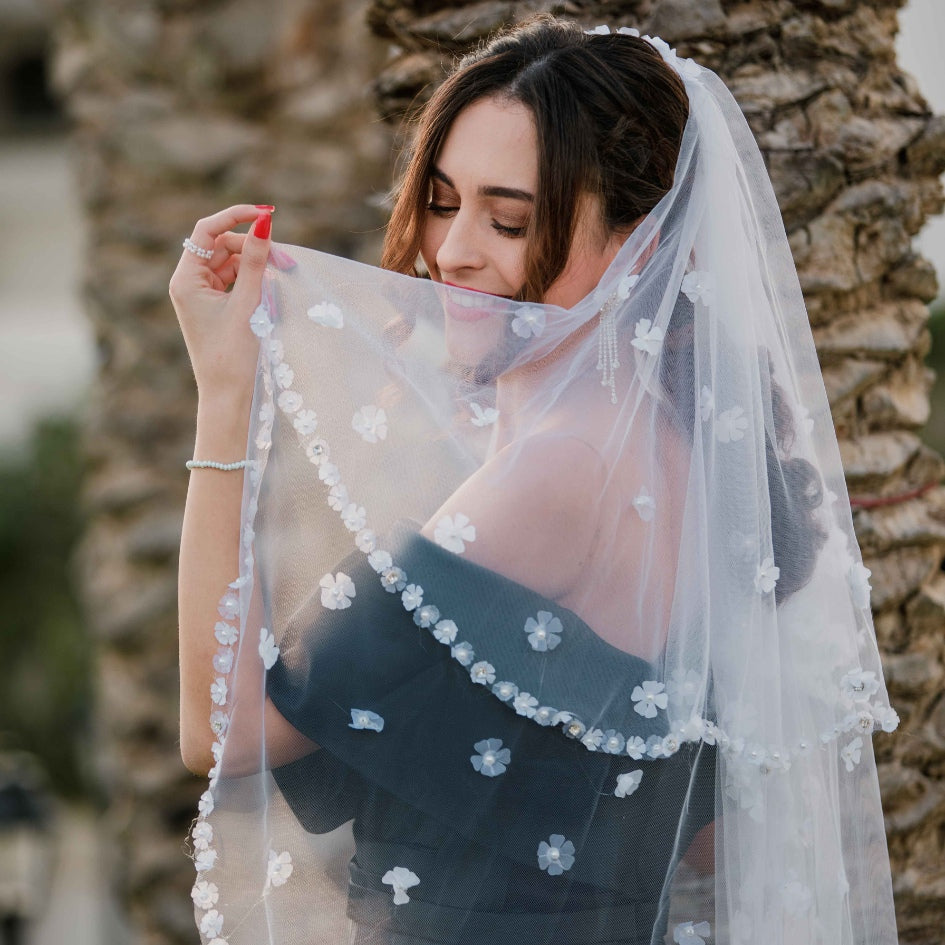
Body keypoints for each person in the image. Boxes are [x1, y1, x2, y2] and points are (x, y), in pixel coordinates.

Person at [169, 15, 900, 945]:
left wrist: (224, 390)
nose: (456, 250)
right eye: (440, 201)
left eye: (509, 219)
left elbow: (223, 729)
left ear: (639, 246)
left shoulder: (560, 473)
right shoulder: (664, 447)